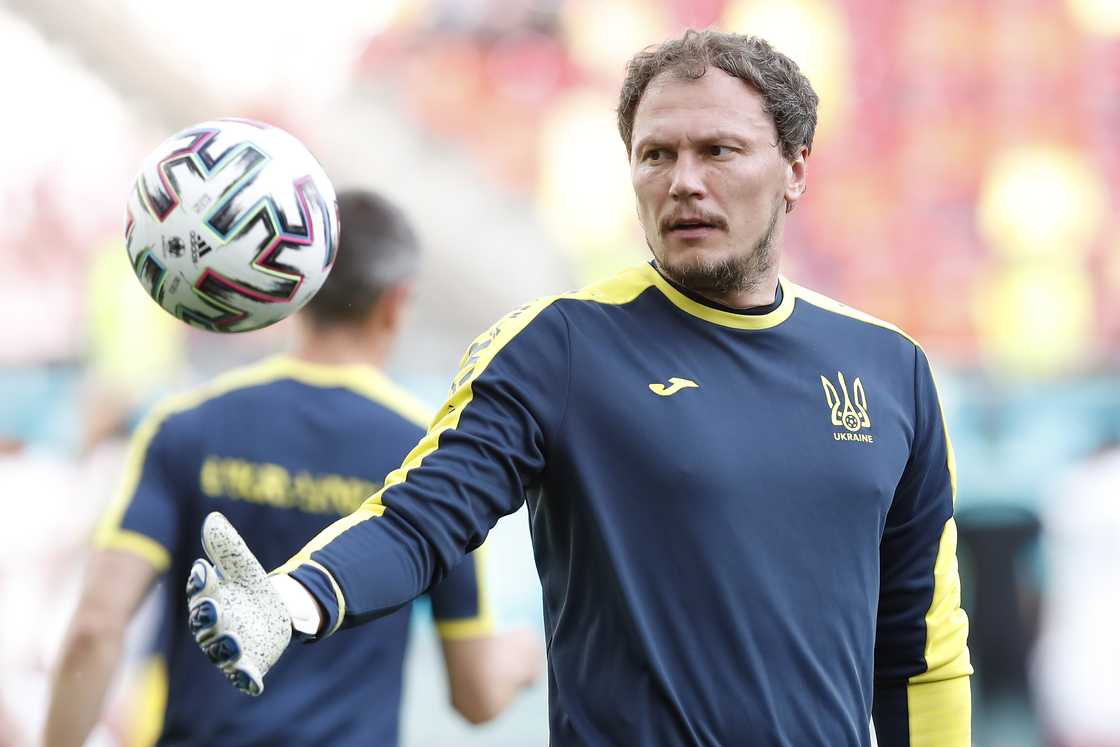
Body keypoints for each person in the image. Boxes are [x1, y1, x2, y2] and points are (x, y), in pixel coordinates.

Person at [188, 29, 972, 746]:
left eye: (719, 151)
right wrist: (295, 599)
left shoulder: (889, 369)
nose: (683, 182)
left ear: (796, 167)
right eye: (656, 154)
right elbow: (422, 515)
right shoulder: (559, 347)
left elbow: (922, 651)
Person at [43, 189, 542, 747]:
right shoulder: (433, 452)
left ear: (293, 291)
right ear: (397, 303)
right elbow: (474, 695)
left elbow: (96, 628)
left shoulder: (184, 425)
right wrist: (521, 658)